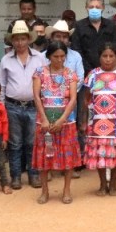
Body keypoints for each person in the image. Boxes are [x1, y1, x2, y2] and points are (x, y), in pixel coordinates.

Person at [0, 20, 47, 189]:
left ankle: (33, 175)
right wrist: (1, 107)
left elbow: (45, 82)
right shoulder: (6, 60)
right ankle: (16, 176)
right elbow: (1, 85)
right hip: (12, 106)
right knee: (15, 144)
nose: (20, 42)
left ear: (29, 39)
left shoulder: (40, 58)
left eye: (23, 39)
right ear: (12, 41)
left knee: (32, 142)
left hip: (34, 106)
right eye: (16, 39)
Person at [82, 43, 116, 196]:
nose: (108, 59)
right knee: (100, 154)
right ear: (99, 57)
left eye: (111, 56)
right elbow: (85, 100)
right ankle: (102, 184)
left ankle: (113, 184)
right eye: (105, 56)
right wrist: (84, 121)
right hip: (96, 121)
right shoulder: (92, 75)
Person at [33, 42, 81, 204]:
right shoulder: (39, 72)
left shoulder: (71, 74)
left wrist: (62, 120)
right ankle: (45, 191)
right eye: (56, 56)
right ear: (48, 56)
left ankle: (66, 190)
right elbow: (37, 97)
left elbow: (73, 99)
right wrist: (44, 119)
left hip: (66, 123)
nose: (59, 60)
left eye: (62, 56)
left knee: (68, 157)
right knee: (44, 157)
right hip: (44, 123)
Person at [72, 0, 116, 75]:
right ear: (86, 8)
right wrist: (89, 69)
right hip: (85, 71)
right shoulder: (79, 26)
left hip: (108, 70)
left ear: (103, 7)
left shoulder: (111, 25)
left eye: (97, 7)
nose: (94, 9)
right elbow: (77, 50)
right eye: (91, 7)